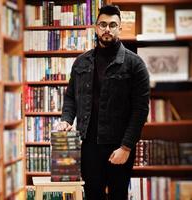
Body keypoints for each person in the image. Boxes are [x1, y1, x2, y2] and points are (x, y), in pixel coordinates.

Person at [56, 5, 150, 200]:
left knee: (118, 196)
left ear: (120, 28)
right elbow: (71, 96)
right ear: (96, 27)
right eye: (103, 24)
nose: (107, 29)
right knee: (92, 195)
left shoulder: (135, 64)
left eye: (112, 25)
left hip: (118, 145)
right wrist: (66, 119)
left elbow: (140, 110)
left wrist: (126, 148)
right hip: (88, 145)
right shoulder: (81, 62)